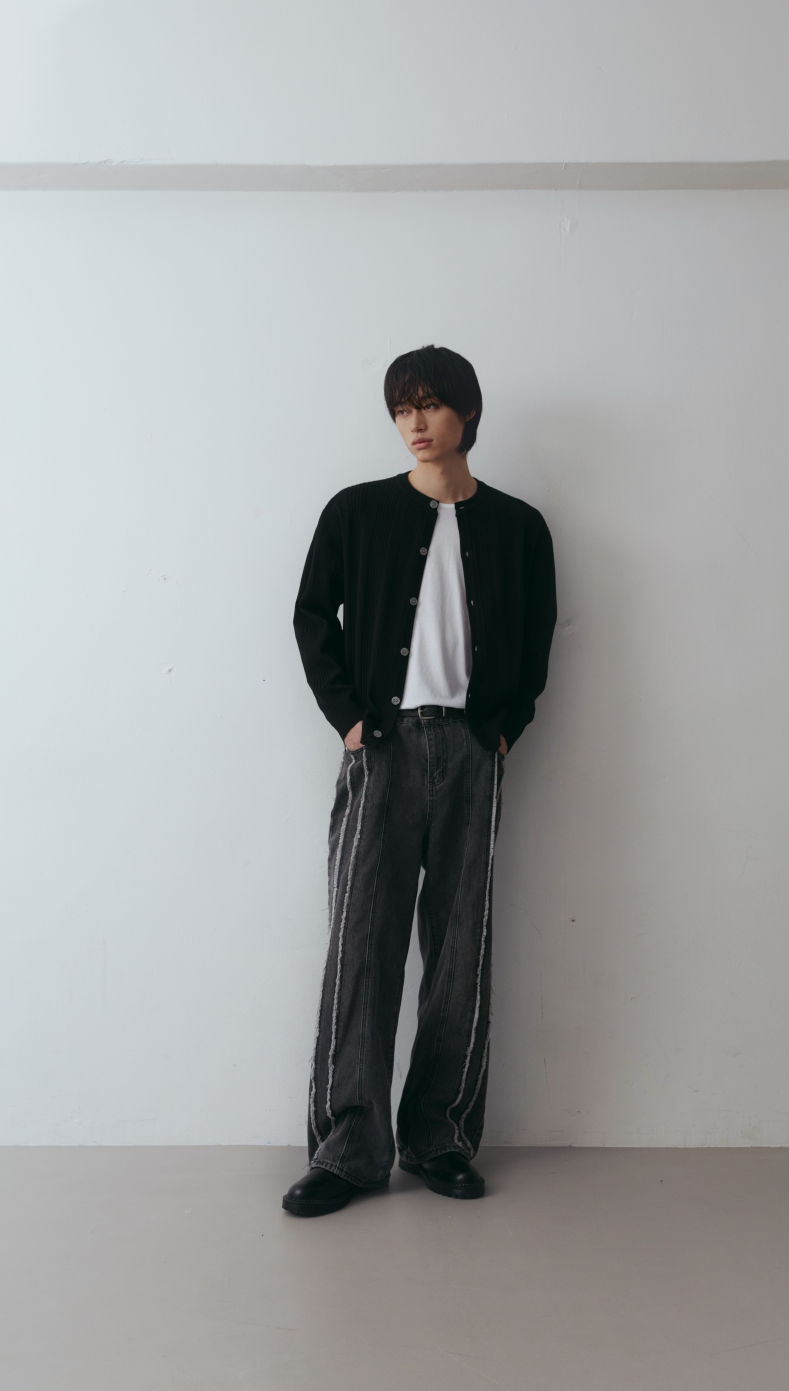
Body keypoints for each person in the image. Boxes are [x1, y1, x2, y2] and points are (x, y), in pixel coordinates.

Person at [285, 345, 556, 1216]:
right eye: (403, 408)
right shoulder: (356, 512)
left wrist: (505, 729)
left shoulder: (519, 527)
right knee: (361, 943)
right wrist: (349, 719)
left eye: (431, 405)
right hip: (383, 748)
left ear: (466, 413)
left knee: (459, 948)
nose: (415, 423)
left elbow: (539, 639)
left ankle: (439, 1138)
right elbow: (310, 616)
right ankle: (349, 1148)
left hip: (473, 750)